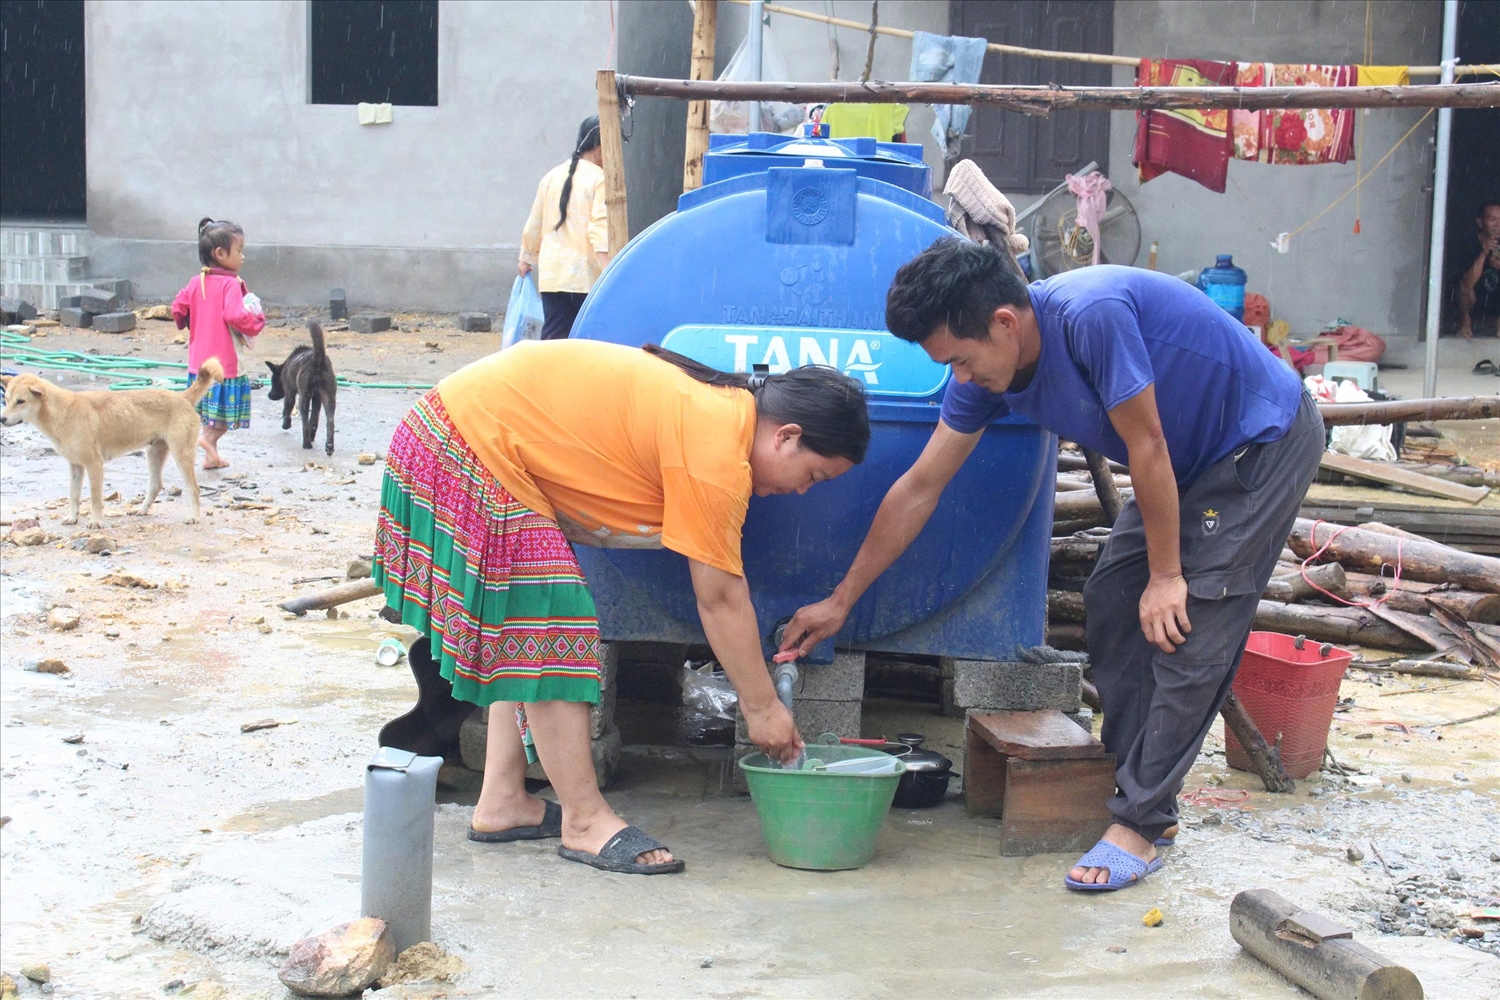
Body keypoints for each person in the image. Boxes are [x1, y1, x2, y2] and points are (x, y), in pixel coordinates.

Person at [778, 238, 1325, 892]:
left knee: (1189, 621)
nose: (961, 377)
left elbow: (1146, 445)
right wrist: (842, 599)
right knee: (1113, 599)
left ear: (1005, 324)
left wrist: (1169, 574)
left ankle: (1141, 822)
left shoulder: (1090, 318)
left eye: (960, 359)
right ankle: (1137, 786)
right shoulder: (987, 372)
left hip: (1257, 442)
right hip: (1185, 459)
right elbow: (920, 487)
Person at [373, 338, 869, 875]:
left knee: (521, 623)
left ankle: (502, 800)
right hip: (463, 444)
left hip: (457, 433)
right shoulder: (717, 447)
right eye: (812, 476)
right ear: (786, 436)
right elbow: (721, 597)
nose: (801, 492)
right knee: (548, 620)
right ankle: (585, 821)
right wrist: (762, 709)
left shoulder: (719, 416)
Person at [171, 218, 266, 469]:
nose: (243, 257)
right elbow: (235, 316)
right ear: (221, 254)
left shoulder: (195, 282)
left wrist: (191, 321)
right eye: (240, 250)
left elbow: (177, 308)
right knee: (223, 417)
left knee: (208, 411)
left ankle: (210, 455)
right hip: (224, 364)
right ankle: (207, 440)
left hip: (198, 363)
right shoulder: (230, 284)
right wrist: (256, 321)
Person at [518, 116, 609, 340]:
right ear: (599, 146)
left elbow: (535, 223)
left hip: (552, 276)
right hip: (586, 276)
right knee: (586, 341)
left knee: (553, 340)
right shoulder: (600, 179)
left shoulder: (551, 176)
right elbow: (599, 229)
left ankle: (546, 376)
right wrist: (609, 270)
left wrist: (526, 259)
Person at [1456, 200, 1500, 339]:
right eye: (1493, 219)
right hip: (1476, 301)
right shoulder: (1469, 243)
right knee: (1464, 288)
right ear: (1480, 222)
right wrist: (1483, 253)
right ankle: (1465, 322)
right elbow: (1466, 283)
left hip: (1496, 300)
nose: (1498, 225)